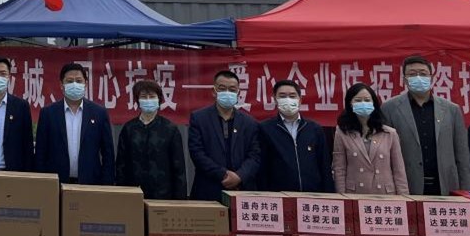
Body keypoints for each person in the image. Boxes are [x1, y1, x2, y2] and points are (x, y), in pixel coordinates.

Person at [381, 55, 470, 195]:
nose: (418, 77)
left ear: (432, 77)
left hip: (445, 187)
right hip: (407, 187)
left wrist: (467, 192)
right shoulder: (389, 108)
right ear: (404, 79)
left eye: (423, 73)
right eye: (412, 74)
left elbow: (463, 157)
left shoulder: (451, 109)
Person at [35, 63, 115, 185]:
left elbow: (108, 153)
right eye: (69, 81)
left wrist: (106, 185)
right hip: (56, 183)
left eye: (78, 81)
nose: (74, 84)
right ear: (61, 85)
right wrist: (42, 183)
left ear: (85, 84)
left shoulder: (99, 113)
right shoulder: (48, 113)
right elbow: (40, 153)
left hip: (90, 183)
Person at [187, 70, 261, 201]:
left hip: (242, 190)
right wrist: (223, 174)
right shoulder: (199, 118)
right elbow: (197, 153)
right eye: (222, 88)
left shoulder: (250, 123)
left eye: (232, 89)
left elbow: (255, 156)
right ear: (214, 91)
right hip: (208, 189)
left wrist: (239, 176)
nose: (227, 92)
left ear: (238, 92)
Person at [256, 80, 333, 192]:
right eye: (282, 96)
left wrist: (329, 194)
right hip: (279, 196)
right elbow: (262, 168)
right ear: (275, 100)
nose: (288, 99)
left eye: (292, 96)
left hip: (312, 196)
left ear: (300, 100)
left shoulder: (314, 129)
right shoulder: (265, 129)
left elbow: (324, 166)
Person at [332, 83, 409, 194]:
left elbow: (399, 170)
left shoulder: (389, 133)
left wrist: (403, 197)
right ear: (350, 104)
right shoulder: (342, 133)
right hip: (355, 194)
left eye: (367, 100)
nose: (363, 103)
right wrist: (342, 196)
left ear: (374, 103)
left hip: (385, 195)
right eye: (358, 100)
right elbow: (339, 169)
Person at [115, 80, 186, 198]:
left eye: (152, 96)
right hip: (134, 196)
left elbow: (179, 169)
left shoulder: (170, 129)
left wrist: (179, 200)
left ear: (159, 99)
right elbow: (121, 166)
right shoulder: (129, 129)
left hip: (163, 196)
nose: (148, 100)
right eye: (144, 97)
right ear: (137, 101)